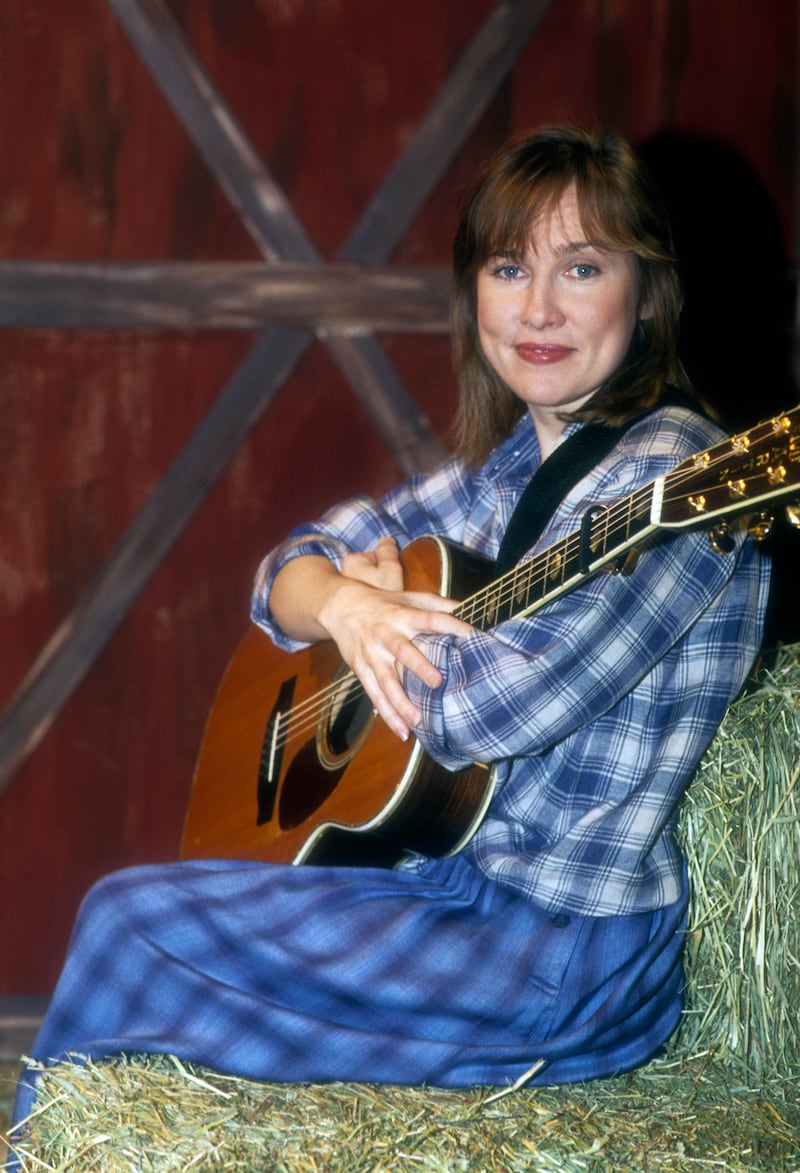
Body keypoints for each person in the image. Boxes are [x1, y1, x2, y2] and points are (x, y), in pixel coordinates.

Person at [9, 126, 769, 1149]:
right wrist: (346, 606)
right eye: (508, 268)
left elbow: (493, 710)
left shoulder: (677, 484)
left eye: (579, 268)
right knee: (148, 927)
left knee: (130, 923)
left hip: (556, 947)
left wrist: (386, 613)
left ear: (645, 297)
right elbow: (283, 573)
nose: (536, 308)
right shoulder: (503, 473)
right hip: (446, 892)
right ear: (474, 295)